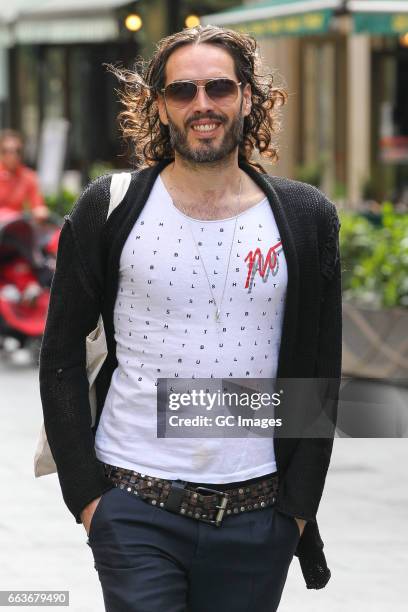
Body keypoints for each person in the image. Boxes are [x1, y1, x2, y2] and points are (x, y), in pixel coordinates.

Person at [39, 25, 342, 612]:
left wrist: (298, 512)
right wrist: (88, 500)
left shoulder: (306, 218)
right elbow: (60, 358)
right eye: (182, 91)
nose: (202, 105)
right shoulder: (111, 207)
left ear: (248, 97)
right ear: (159, 105)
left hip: (259, 516)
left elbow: (320, 371)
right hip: (134, 507)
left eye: (219, 88)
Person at [0, 129, 48, 221]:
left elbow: (38, 205)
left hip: (15, 226)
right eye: (6, 151)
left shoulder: (28, 176)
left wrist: (39, 211)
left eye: (17, 151)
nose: (12, 155)